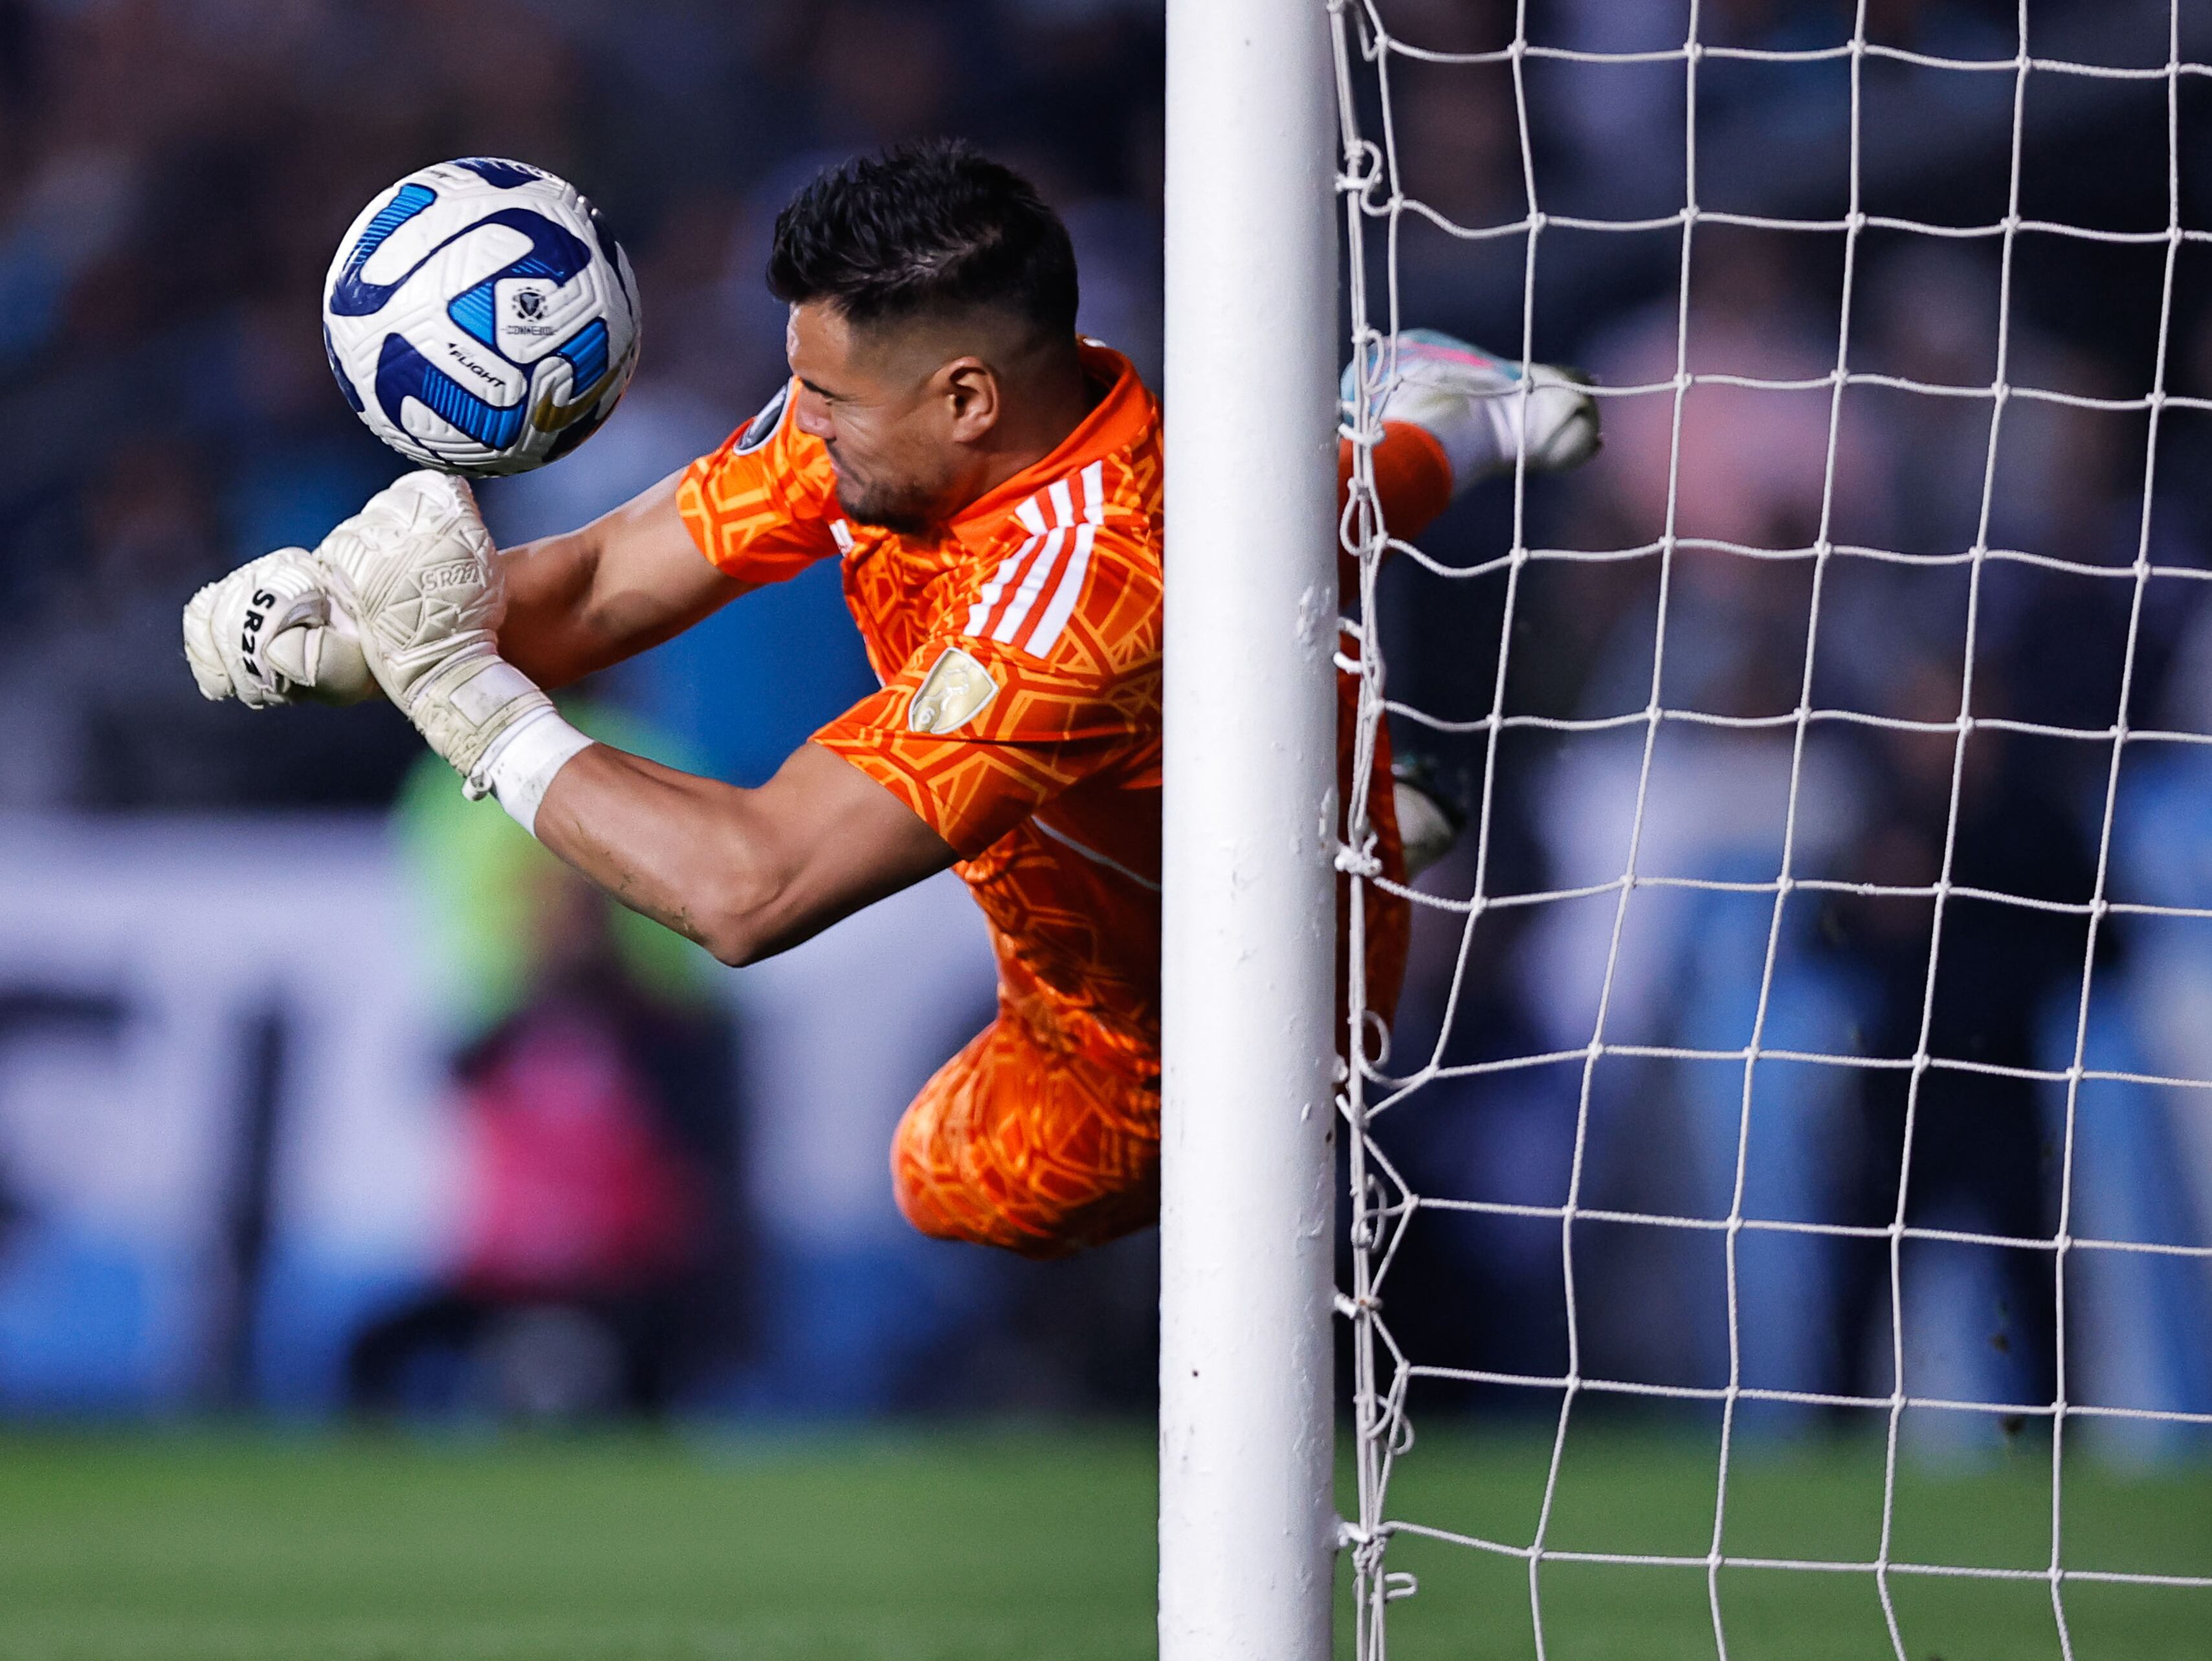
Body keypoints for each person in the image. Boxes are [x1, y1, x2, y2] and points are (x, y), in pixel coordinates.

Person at [182, 141, 1599, 1259]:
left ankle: (1312, 833)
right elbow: (615, 574)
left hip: (1189, 1019)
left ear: (969, 399)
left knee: (948, 1173)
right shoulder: (907, 419)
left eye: (829, 399)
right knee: (1242, 551)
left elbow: (754, 885)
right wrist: (340, 629)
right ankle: (1408, 457)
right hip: (1132, 768)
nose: (800, 421)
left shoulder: (1080, 605)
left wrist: (465, 704)